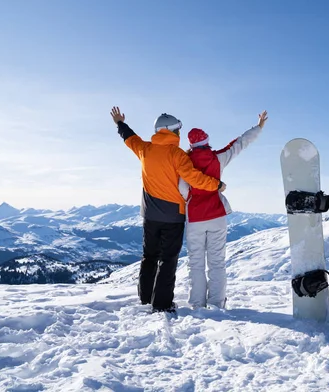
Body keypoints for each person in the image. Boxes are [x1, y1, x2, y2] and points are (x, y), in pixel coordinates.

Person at [110, 106, 227, 313]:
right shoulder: (178, 155)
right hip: (173, 216)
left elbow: (130, 138)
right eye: (178, 130)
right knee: (168, 259)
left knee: (149, 256)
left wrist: (120, 123)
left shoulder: (145, 149)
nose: (180, 134)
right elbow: (194, 178)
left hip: (150, 214)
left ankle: (146, 298)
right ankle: (162, 304)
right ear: (172, 131)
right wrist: (216, 185)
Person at [180, 110, 268, 309]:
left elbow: (182, 188)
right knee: (217, 263)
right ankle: (217, 304)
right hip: (217, 216)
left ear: (191, 145)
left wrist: (190, 199)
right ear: (207, 141)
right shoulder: (218, 158)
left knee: (196, 263)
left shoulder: (185, 164)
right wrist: (259, 127)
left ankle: (196, 303)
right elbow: (238, 144)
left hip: (194, 218)